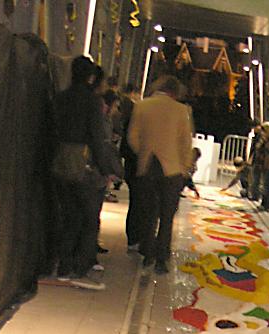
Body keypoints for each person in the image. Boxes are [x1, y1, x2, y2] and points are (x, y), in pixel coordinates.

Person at [51, 55, 117, 290]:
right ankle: (79, 265)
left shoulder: (60, 97)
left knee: (67, 213)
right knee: (87, 217)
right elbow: (96, 137)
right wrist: (106, 169)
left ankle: (62, 264)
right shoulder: (91, 101)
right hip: (81, 162)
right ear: (90, 77)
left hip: (58, 160)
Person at [127, 75, 194, 274]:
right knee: (167, 217)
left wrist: (144, 153)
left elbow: (132, 137)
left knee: (148, 213)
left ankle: (147, 252)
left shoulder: (141, 106)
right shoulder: (182, 110)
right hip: (172, 170)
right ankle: (161, 258)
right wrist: (185, 167)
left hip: (147, 166)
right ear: (175, 92)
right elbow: (185, 143)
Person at [118, 82, 141, 250]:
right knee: (138, 203)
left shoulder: (131, 114)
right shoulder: (134, 114)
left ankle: (133, 238)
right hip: (136, 165)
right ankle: (135, 238)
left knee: (135, 202)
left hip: (132, 165)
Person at [248, 121, 263, 202]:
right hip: (256, 159)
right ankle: (254, 194)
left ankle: (256, 195)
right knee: (255, 178)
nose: (253, 129)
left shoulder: (261, 137)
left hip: (259, 161)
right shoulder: (257, 135)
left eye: (254, 127)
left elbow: (257, 148)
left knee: (257, 179)